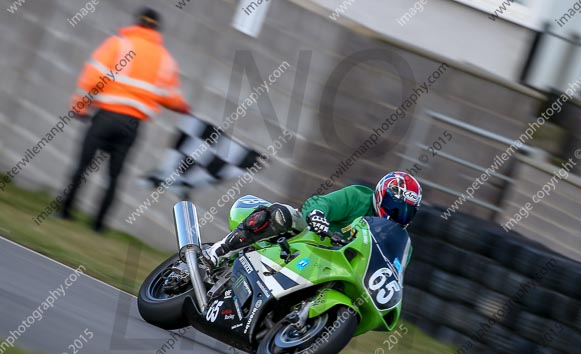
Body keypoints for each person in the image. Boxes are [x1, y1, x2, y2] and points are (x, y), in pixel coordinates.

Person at [59, 7, 190, 231]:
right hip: (132, 125)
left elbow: (92, 76)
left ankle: (65, 212)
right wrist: (184, 108)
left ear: (136, 22)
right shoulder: (165, 59)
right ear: (156, 29)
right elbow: (170, 97)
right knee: (114, 176)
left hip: (106, 117)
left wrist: (79, 105)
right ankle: (98, 226)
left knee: (82, 166)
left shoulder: (118, 44)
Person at [203, 172, 422, 266]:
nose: (397, 215)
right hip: (308, 240)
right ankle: (222, 250)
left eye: (405, 212)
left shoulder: (404, 245)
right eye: (395, 207)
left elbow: (391, 271)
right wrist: (318, 216)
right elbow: (323, 202)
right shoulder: (359, 197)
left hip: (336, 267)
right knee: (285, 215)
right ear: (381, 195)